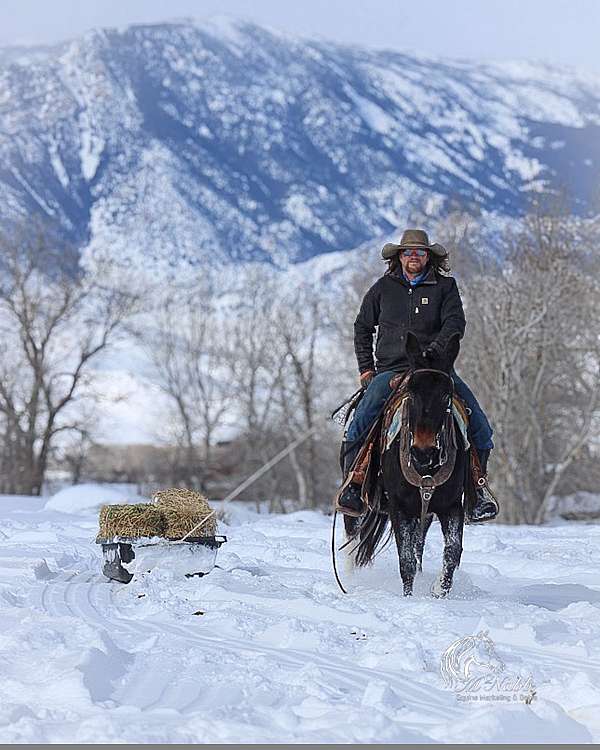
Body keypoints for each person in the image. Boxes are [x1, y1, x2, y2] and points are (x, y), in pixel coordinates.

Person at [335, 228, 498, 522]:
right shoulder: (382, 288)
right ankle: (354, 486)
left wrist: (433, 352)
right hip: (392, 369)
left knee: (481, 428)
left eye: (419, 252)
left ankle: (477, 491)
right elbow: (362, 327)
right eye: (408, 251)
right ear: (398, 256)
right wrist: (366, 369)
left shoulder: (445, 287)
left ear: (428, 257)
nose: (413, 256)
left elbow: (455, 323)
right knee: (359, 423)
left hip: (436, 370)